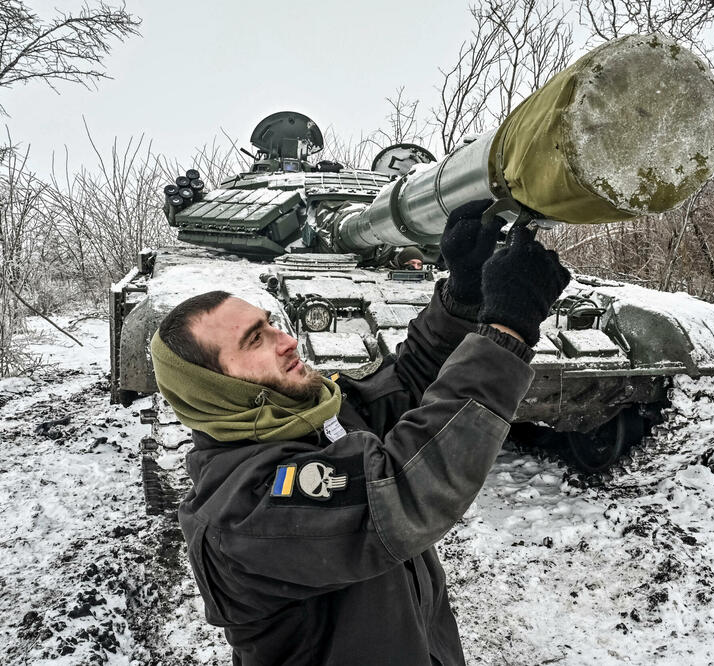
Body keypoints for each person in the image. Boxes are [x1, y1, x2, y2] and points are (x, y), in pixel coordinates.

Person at [150, 200, 570, 666]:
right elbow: (397, 494)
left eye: (270, 323)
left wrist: (463, 297)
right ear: (215, 386)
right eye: (255, 339)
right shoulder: (243, 512)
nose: (286, 339)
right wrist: (505, 330)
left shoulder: (312, 417)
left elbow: (407, 387)